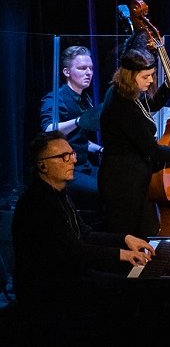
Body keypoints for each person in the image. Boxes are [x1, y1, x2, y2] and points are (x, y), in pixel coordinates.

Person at [13, 131, 156, 309]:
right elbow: (71, 251)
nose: (73, 160)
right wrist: (122, 254)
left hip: (68, 277)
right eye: (64, 156)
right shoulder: (38, 203)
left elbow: (85, 234)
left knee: (136, 281)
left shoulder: (59, 194)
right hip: (49, 291)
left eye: (72, 154)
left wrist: (125, 239)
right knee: (135, 291)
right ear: (43, 166)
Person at [97, 46, 170, 236]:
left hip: (132, 179)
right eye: (145, 76)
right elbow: (154, 151)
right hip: (123, 184)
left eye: (152, 75)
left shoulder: (122, 92)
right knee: (132, 237)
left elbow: (146, 107)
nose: (150, 81)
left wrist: (167, 87)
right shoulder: (122, 104)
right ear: (129, 75)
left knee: (145, 234)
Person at [39, 46, 102, 207]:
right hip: (66, 167)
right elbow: (48, 130)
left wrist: (100, 149)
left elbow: (78, 138)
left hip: (84, 164)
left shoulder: (84, 99)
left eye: (90, 68)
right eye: (82, 68)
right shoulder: (55, 98)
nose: (88, 73)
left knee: (119, 183)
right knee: (106, 191)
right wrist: (78, 121)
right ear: (67, 72)